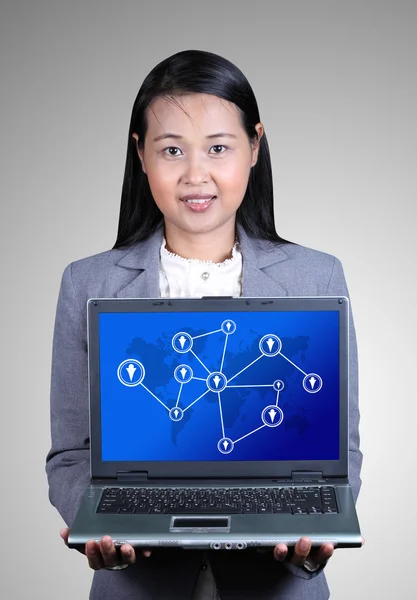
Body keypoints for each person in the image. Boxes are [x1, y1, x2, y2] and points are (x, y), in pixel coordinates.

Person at [46, 49, 363, 600]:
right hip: (139, 585)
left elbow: (341, 449)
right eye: (172, 150)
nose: (196, 175)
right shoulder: (86, 283)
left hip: (278, 584)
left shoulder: (318, 275)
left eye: (218, 148)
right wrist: (99, 521)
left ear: (255, 146)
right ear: (140, 154)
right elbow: (72, 453)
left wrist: (315, 528)